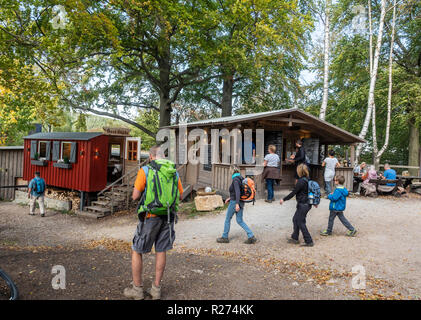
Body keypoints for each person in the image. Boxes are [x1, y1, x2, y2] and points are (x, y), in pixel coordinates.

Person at [124, 145, 183, 300]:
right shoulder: (173, 172)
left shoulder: (146, 170)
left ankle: (137, 290)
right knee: (161, 250)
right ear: (163, 156)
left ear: (151, 156)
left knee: (137, 250)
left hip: (150, 216)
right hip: (168, 216)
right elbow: (180, 196)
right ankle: (156, 290)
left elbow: (135, 196)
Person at [217, 165, 257, 244]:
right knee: (239, 220)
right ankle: (251, 236)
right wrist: (230, 198)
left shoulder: (235, 180)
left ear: (231, 171)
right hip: (240, 201)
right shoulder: (241, 178)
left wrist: (236, 204)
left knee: (228, 219)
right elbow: (236, 192)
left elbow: (238, 192)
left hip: (236, 202)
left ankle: (224, 237)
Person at [279, 163, 314, 247]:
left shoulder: (301, 181)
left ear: (299, 171)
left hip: (303, 204)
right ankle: (295, 237)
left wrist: (283, 199)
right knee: (295, 219)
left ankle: (309, 241)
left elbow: (293, 193)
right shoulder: (307, 179)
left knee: (300, 222)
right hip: (306, 203)